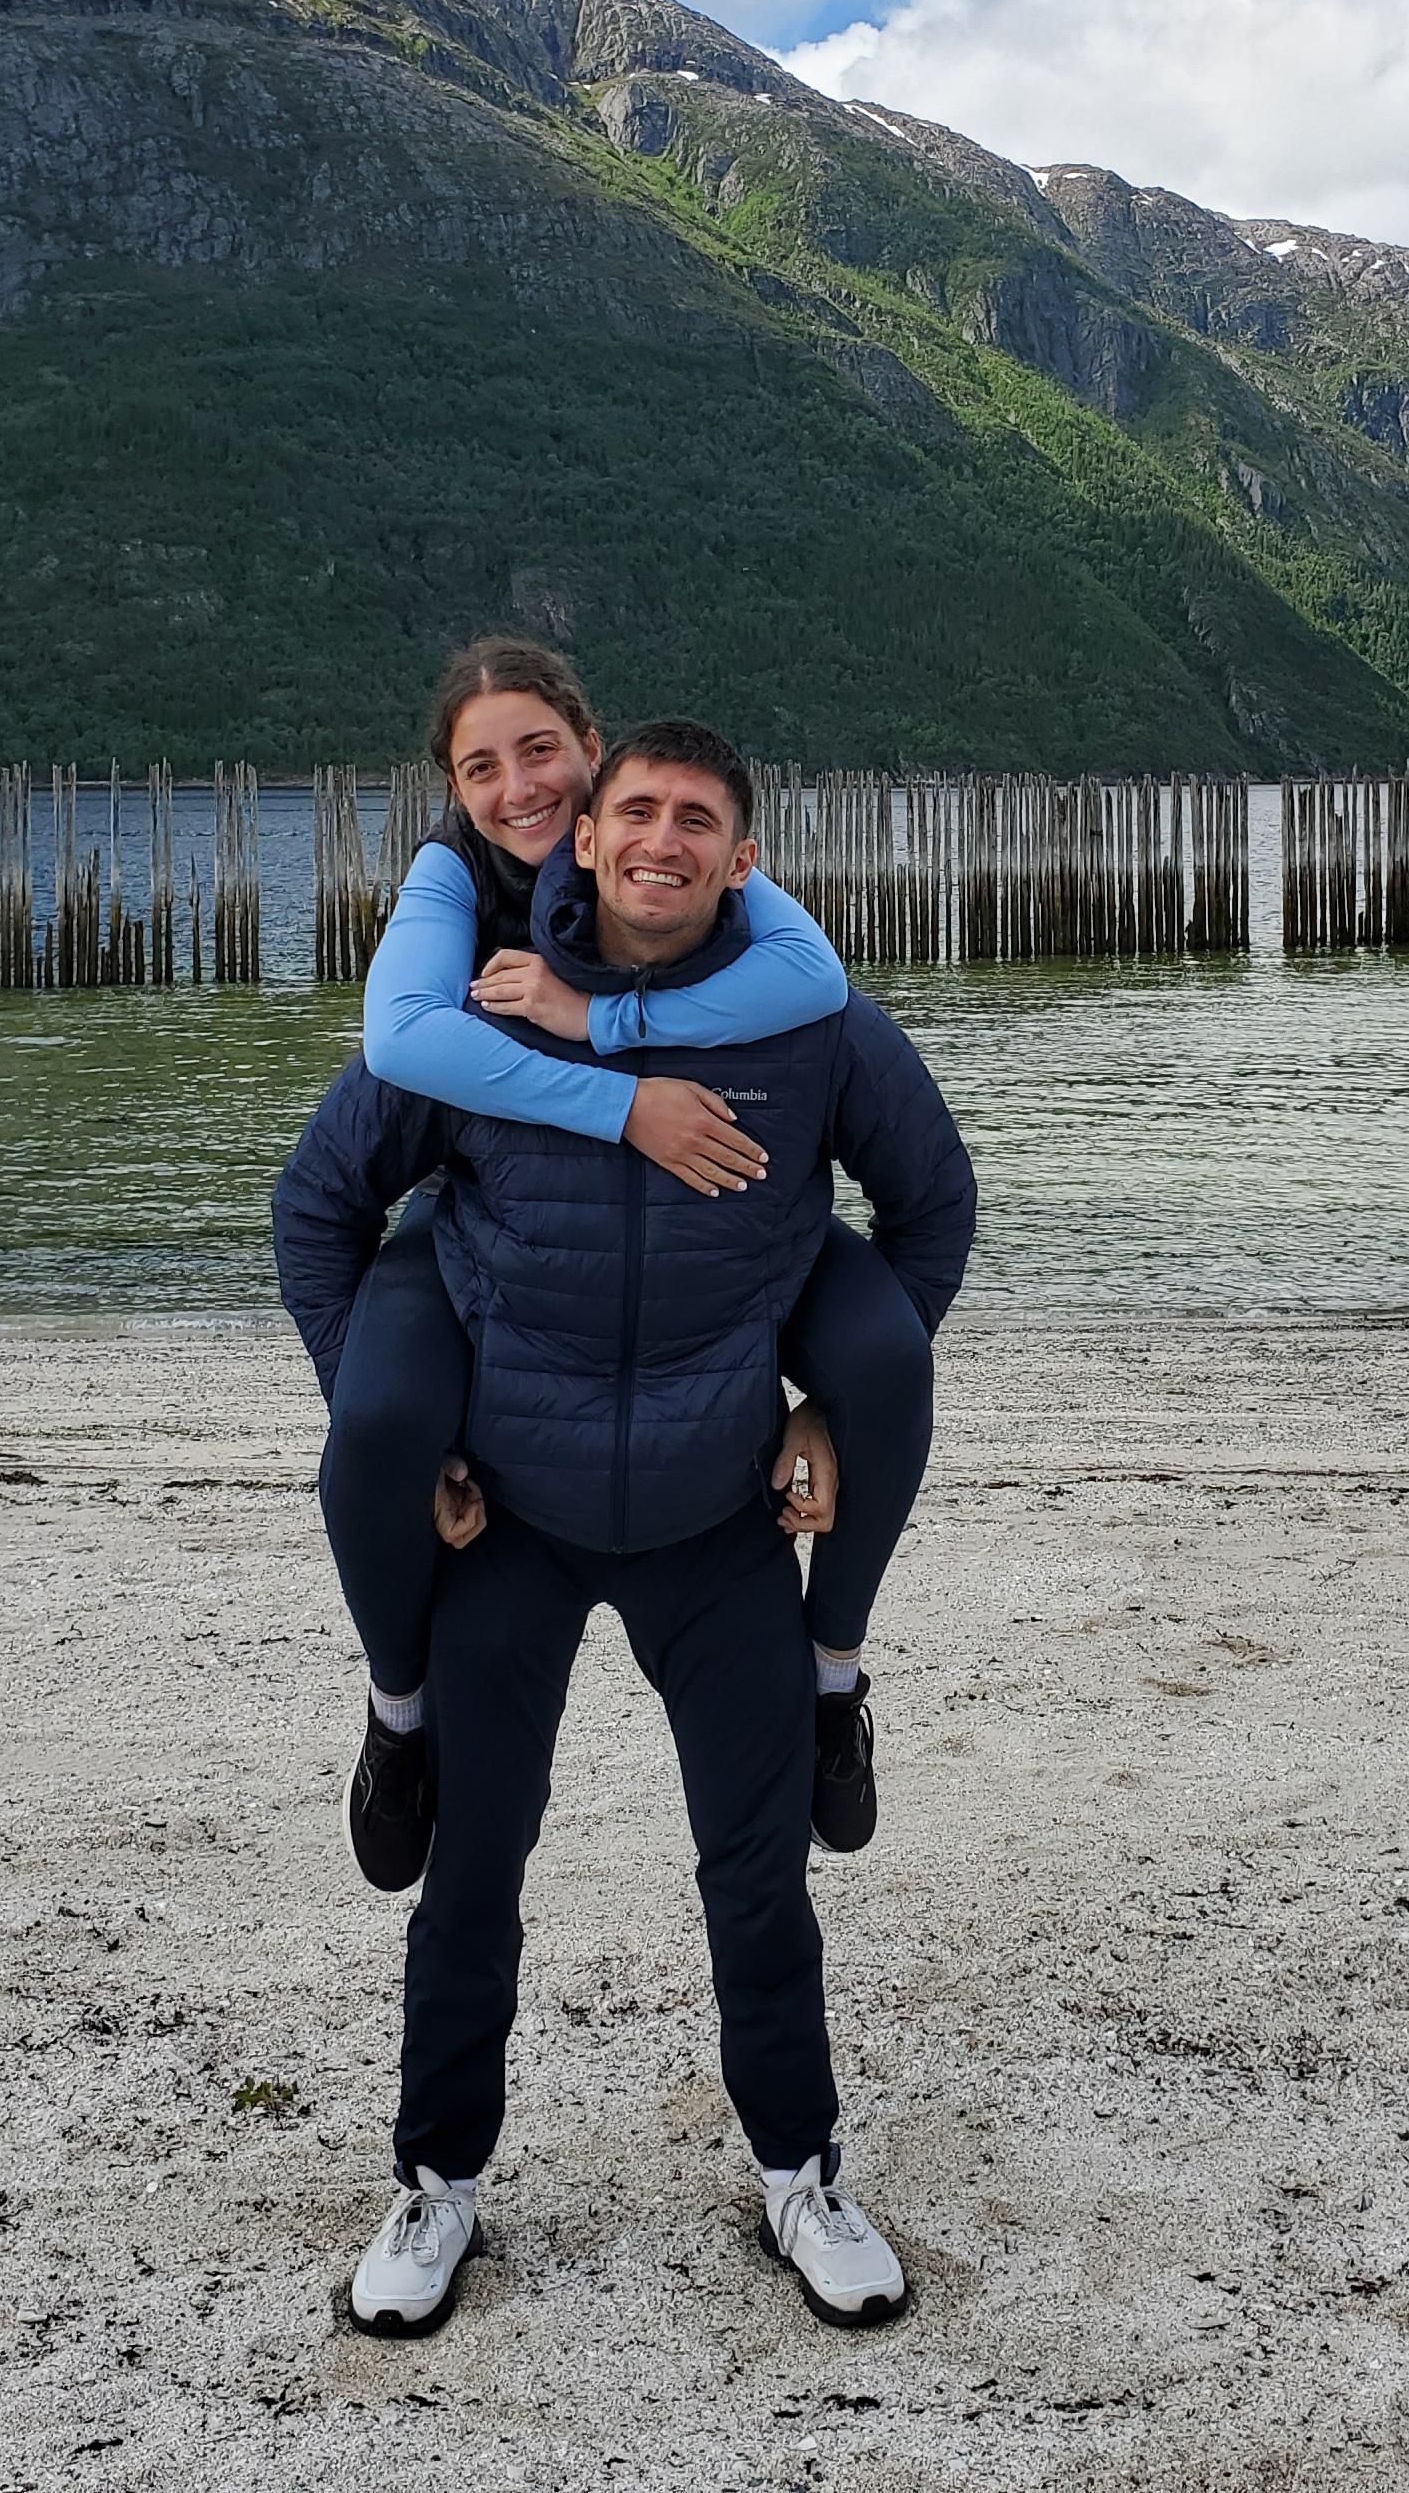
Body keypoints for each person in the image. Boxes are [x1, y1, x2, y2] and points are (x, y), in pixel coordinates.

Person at [274, 718, 976, 2334]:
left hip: (712, 1517)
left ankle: (799, 2171)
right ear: (581, 835)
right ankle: (436, 2181)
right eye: (636, 811)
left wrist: (827, 1408)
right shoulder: (474, 1018)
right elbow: (320, 1203)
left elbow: (931, 1205)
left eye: (698, 820)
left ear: (745, 858)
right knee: (473, 1869)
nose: (662, 840)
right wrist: (401, 1437)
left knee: (756, 1871)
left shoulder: (813, 1027)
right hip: (510, 1521)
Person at [322, 640, 932, 1895]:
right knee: (377, 1420)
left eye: (541, 750)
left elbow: (815, 982)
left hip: (721, 1241)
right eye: (480, 767)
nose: (519, 788)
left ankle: (834, 1682)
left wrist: (604, 1018)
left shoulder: (682, 854)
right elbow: (399, 1044)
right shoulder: (451, 877)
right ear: (453, 788)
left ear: (591, 755)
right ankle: (397, 1717)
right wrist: (624, 1105)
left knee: (884, 1359)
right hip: (499, 1217)